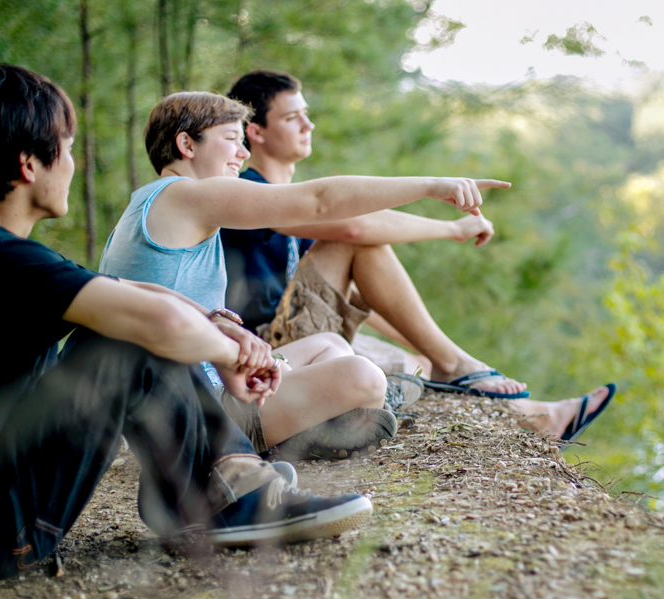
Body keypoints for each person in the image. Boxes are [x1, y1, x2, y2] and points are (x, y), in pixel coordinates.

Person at [0, 65, 372, 584]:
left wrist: (214, 327)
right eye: (68, 149)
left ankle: (222, 486)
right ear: (30, 165)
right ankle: (229, 500)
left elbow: (129, 290)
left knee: (133, 321)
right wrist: (230, 354)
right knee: (130, 335)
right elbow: (151, 315)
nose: (73, 164)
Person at [98, 91, 509, 459]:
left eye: (243, 141)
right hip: (196, 413)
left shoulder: (150, 204)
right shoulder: (184, 195)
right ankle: (338, 418)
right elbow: (318, 201)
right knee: (364, 375)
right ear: (186, 144)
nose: (242, 154)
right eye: (230, 139)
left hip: (199, 390)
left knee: (328, 343)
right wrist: (433, 185)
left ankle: (333, 419)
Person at [225, 70, 615, 441]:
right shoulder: (251, 191)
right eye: (293, 118)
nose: (308, 126)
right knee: (352, 241)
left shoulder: (286, 202)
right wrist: (452, 229)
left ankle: (536, 416)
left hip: (301, 332)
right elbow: (355, 229)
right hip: (271, 349)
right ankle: (456, 365)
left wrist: (425, 348)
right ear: (255, 131)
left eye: (306, 115)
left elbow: (352, 296)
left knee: (420, 365)